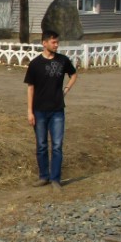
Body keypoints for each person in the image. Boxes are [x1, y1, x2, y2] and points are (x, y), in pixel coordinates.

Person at [24, 29, 78, 188]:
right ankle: (44, 177)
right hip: (39, 110)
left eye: (57, 42)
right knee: (41, 145)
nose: (56, 45)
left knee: (57, 145)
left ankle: (55, 179)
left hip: (57, 110)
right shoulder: (35, 64)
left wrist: (66, 90)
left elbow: (74, 75)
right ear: (44, 43)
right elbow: (30, 88)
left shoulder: (63, 60)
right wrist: (29, 111)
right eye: (53, 42)